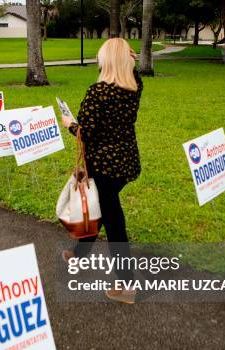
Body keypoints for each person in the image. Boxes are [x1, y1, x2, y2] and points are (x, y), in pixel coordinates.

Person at [60, 38, 143, 304]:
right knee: (105, 206)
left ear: (106, 61)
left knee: (114, 220)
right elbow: (133, 72)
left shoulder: (98, 92)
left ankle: (127, 284)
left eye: (100, 56)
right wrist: (128, 57)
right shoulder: (135, 86)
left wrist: (69, 124)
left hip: (105, 165)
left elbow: (86, 133)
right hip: (125, 162)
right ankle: (80, 255)